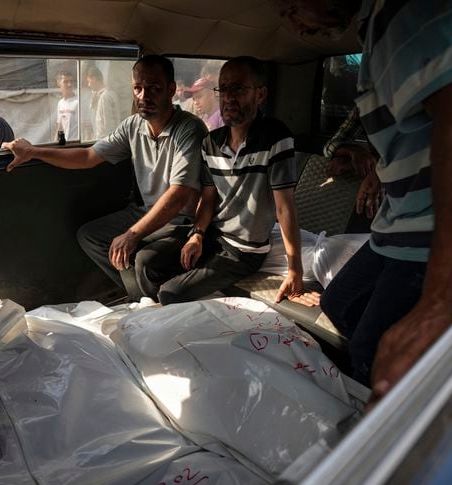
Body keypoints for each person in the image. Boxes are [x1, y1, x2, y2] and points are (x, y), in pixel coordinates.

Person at [281, 0, 452, 402]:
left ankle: (394, 420)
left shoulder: (403, 14)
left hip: (424, 235)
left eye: (290, 5)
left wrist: (438, 302)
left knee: (372, 350)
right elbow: (359, 139)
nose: (293, 23)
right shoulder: (375, 34)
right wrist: (370, 157)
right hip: (394, 228)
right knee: (338, 303)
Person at [2, 55, 207, 297]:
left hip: (180, 220)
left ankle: (144, 300)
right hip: (144, 211)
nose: (144, 96)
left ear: (171, 90)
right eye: (138, 88)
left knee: (143, 258)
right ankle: (139, 295)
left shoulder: (189, 128)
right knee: (89, 236)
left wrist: (132, 234)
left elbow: (179, 195)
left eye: (154, 88)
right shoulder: (133, 126)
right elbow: (88, 156)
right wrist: (34, 152)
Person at [135, 57, 318, 306]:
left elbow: (284, 207)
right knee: (146, 260)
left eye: (239, 89)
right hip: (213, 235)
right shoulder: (211, 142)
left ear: (260, 95)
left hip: (244, 251)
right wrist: (197, 234)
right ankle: (155, 320)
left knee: (170, 293)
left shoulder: (275, 137)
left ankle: (171, 321)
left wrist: (294, 270)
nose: (229, 97)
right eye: (224, 89)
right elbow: (208, 198)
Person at [86, 65, 122, 138]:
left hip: (105, 140)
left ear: (94, 79)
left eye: (89, 81)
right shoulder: (106, 94)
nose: (88, 85)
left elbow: (108, 125)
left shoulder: (105, 97)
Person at [55, 70, 80, 141]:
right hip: (65, 145)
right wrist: (54, 144)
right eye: (65, 82)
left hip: (76, 145)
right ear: (58, 83)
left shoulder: (78, 102)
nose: (69, 85)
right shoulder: (60, 103)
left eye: (71, 81)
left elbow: (87, 128)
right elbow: (60, 127)